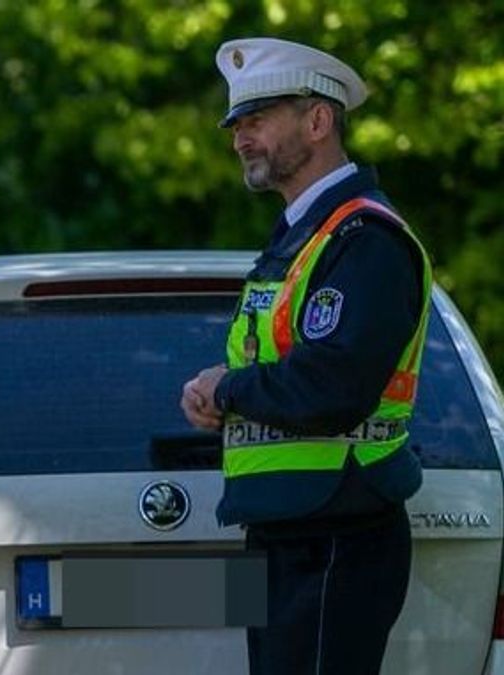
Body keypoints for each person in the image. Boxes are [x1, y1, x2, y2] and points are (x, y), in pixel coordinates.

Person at [180, 39, 431, 675]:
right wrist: (216, 396)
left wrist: (229, 388)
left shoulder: (363, 238)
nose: (240, 139)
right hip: (290, 530)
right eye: (236, 125)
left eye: (257, 119)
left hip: (338, 531)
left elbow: (333, 387)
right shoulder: (303, 235)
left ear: (318, 121)